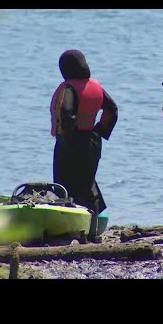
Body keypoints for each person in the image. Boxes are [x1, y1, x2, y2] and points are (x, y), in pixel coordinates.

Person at [50, 49, 118, 241]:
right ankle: (92, 229)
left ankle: (73, 229)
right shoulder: (95, 85)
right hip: (92, 140)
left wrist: (67, 138)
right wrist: (99, 131)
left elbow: (67, 114)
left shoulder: (69, 88)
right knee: (88, 184)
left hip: (72, 143)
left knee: (65, 184)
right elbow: (112, 109)